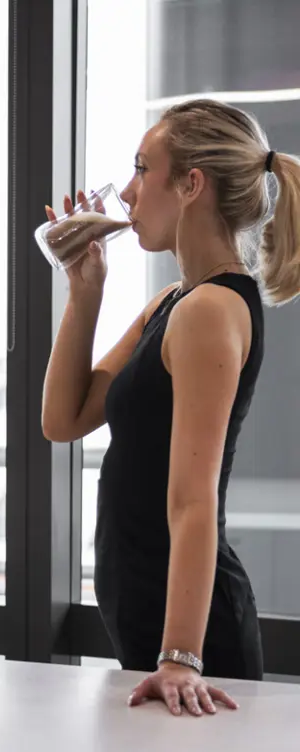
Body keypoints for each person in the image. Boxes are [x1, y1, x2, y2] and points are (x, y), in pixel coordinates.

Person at [42, 98, 300, 717]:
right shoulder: (173, 304)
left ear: (191, 184)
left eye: (140, 168)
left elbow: (193, 498)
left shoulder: (211, 311)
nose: (125, 194)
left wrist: (180, 657)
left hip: (192, 650)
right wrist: (86, 290)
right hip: (154, 632)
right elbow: (64, 419)